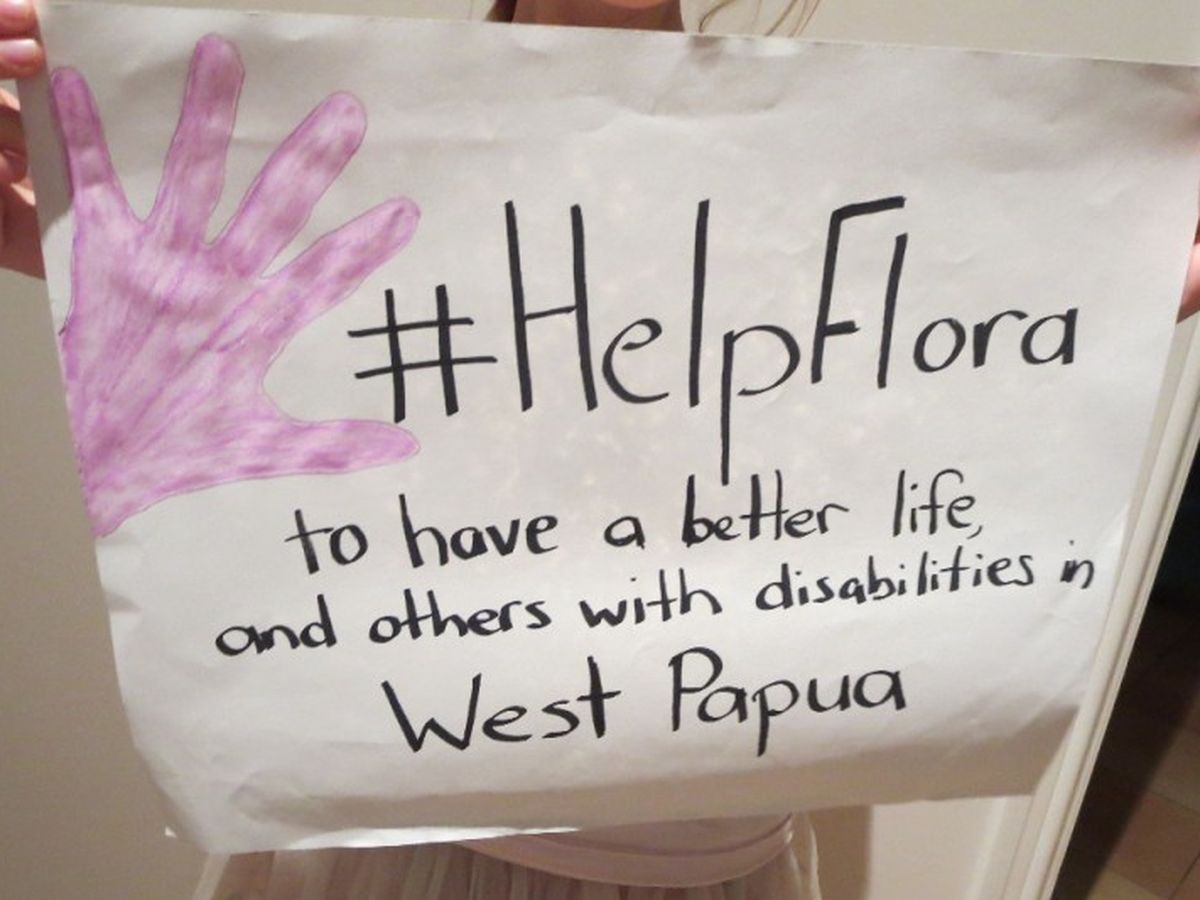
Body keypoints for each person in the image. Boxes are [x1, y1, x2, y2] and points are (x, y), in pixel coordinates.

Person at [3, 1, 1197, 897]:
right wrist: (71, 267)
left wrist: (1105, 293)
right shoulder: (343, 170)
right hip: (358, 854)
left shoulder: (856, 171)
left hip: (707, 867)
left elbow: (920, 473)